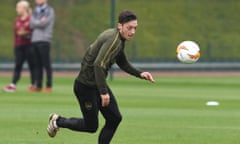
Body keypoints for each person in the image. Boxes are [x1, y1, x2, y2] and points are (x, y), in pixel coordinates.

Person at [47, 10, 155, 144]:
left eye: (135, 28)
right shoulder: (114, 41)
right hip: (86, 86)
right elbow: (98, 65)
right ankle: (57, 121)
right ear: (120, 26)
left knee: (114, 118)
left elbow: (122, 61)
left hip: (97, 84)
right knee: (91, 126)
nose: (132, 31)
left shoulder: (118, 38)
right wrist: (103, 92)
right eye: (129, 28)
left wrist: (140, 73)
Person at [2, 0, 35, 93]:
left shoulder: (31, 19)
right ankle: (13, 85)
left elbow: (34, 33)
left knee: (32, 65)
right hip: (19, 46)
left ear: (24, 8)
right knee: (18, 65)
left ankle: (33, 85)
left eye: (18, 7)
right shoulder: (16, 20)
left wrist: (26, 34)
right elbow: (17, 33)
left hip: (29, 46)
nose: (17, 9)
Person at [30, 0, 55, 92]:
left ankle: (49, 85)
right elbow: (31, 23)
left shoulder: (50, 10)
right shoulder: (35, 10)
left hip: (44, 40)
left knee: (46, 64)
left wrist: (37, 23)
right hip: (35, 40)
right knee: (37, 64)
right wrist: (39, 22)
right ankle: (39, 85)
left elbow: (44, 24)